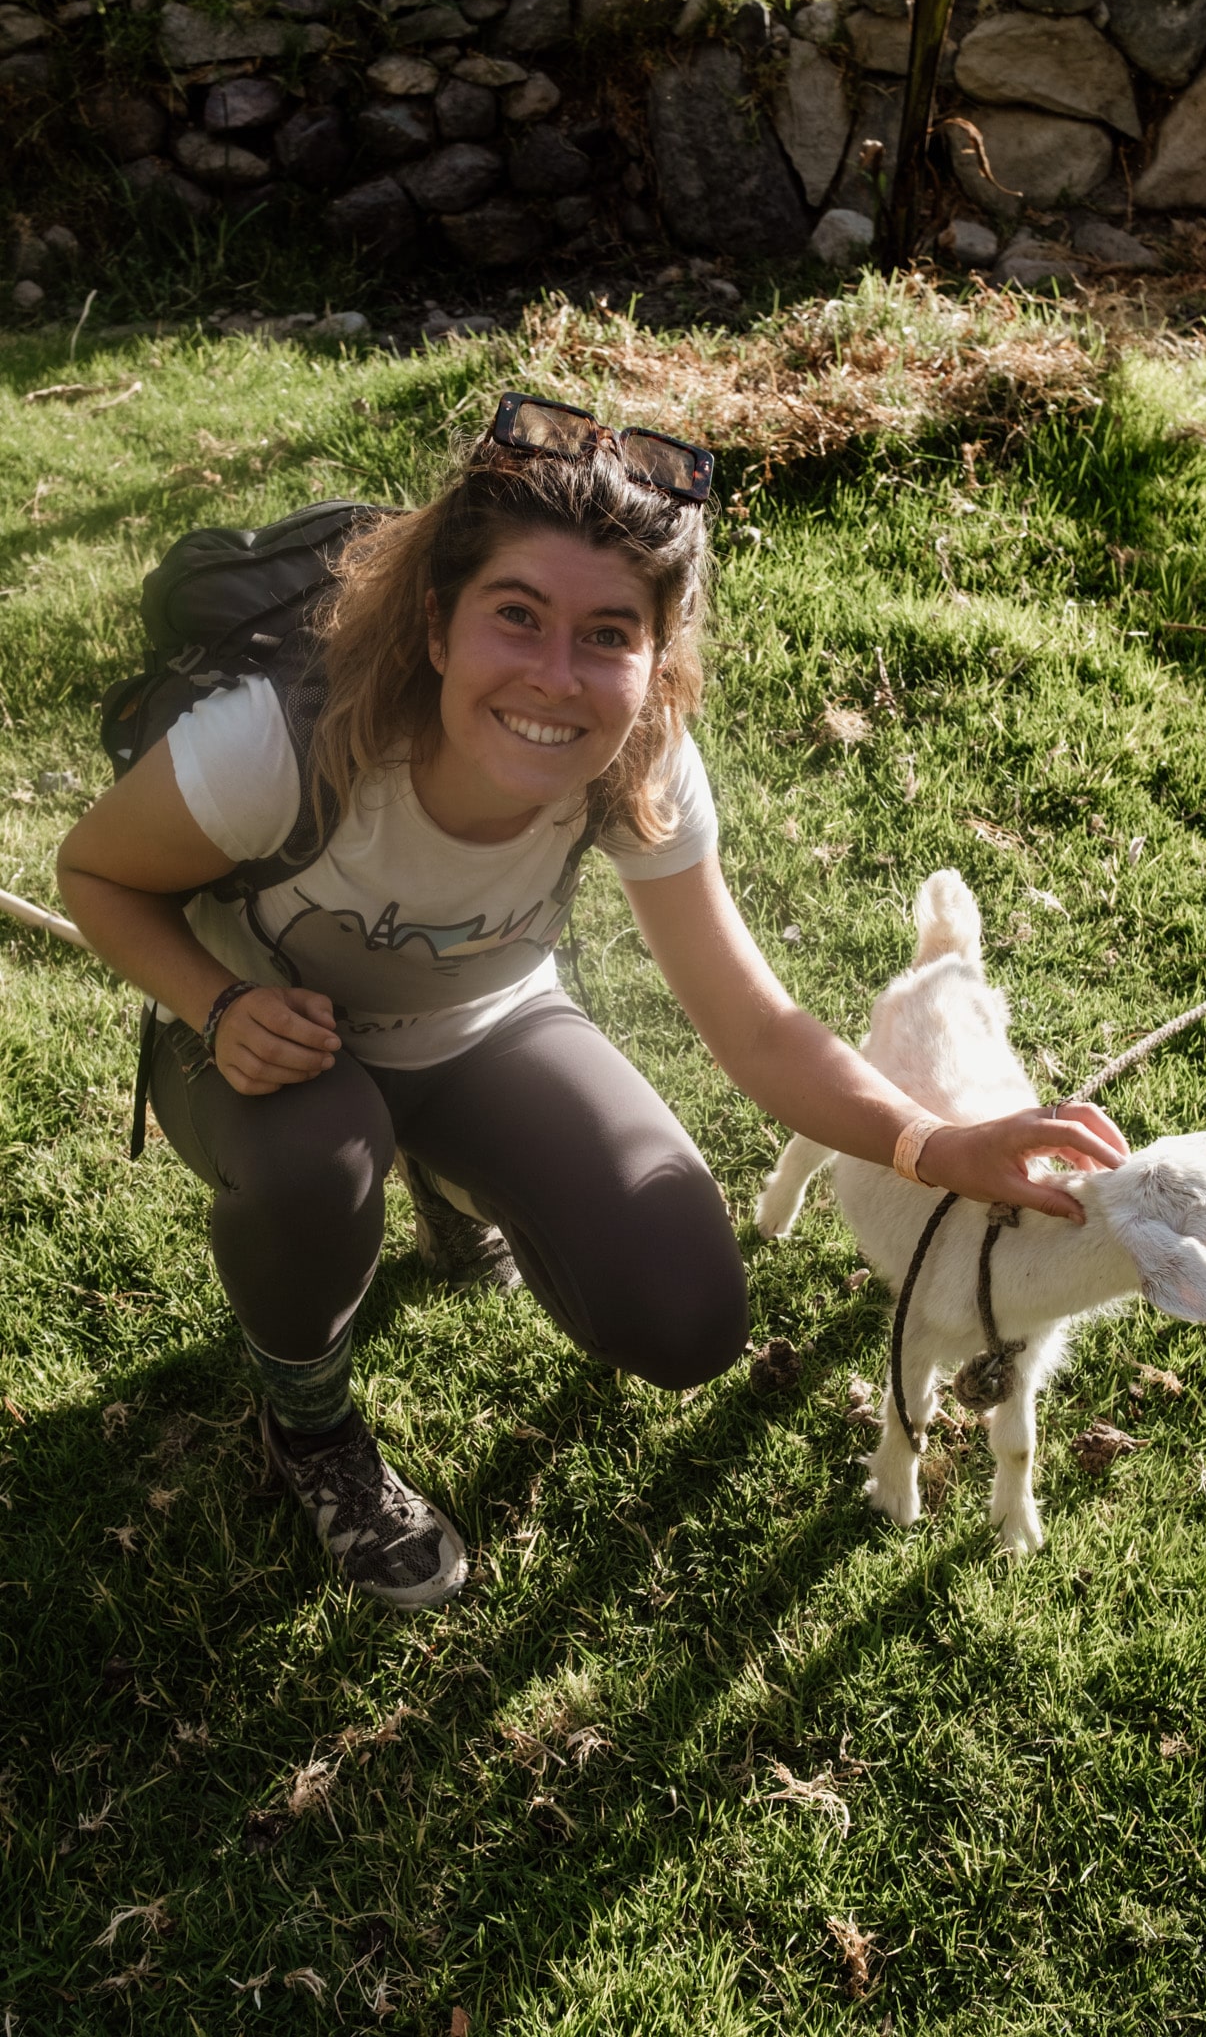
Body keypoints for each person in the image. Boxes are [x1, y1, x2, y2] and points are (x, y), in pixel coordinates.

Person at [56, 393, 1128, 1612]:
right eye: (517, 616)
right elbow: (92, 873)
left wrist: (936, 1143)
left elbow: (753, 1017)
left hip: (481, 1027)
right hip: (268, 1050)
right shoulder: (277, 742)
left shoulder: (640, 756)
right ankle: (309, 1428)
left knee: (685, 1315)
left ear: (656, 657)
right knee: (324, 1151)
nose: (557, 678)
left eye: (609, 634)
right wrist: (214, 1002)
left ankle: (449, 1180)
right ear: (436, 624)